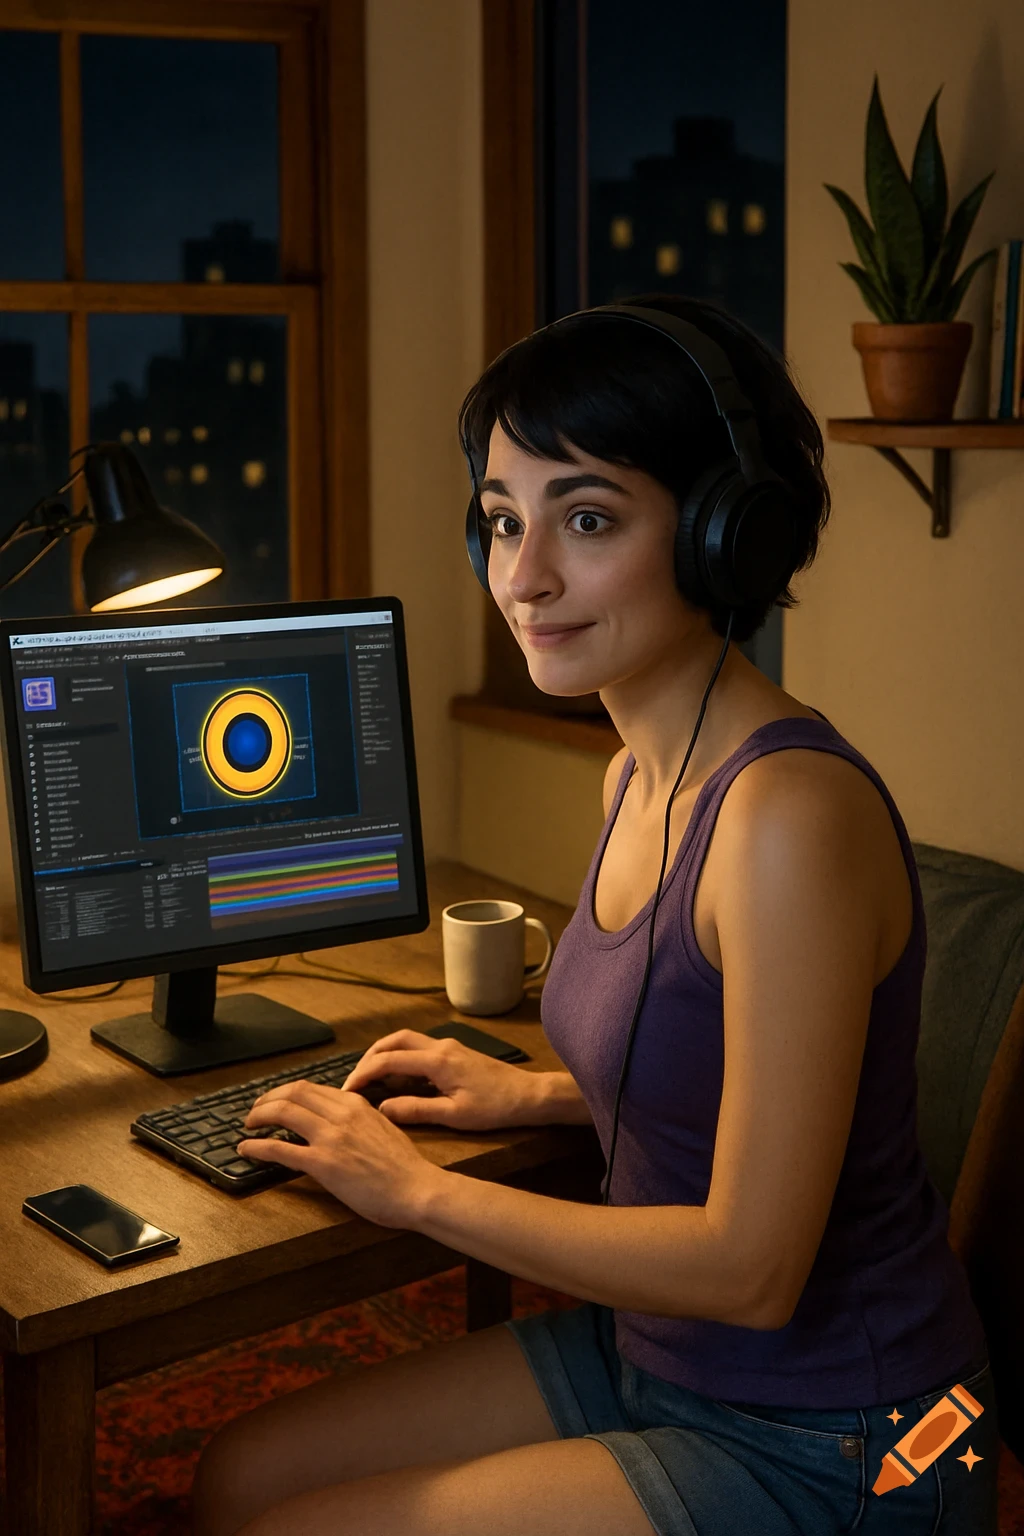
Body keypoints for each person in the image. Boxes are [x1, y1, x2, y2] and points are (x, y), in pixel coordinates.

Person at [191, 295, 998, 1536]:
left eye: (586, 518)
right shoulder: (635, 772)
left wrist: (415, 1192)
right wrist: (534, 1094)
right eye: (504, 521)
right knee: (237, 1478)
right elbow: (740, 1070)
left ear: (725, 534)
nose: (523, 576)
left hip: (841, 1435)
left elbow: (753, 1265)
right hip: (660, 1355)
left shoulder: (785, 818)